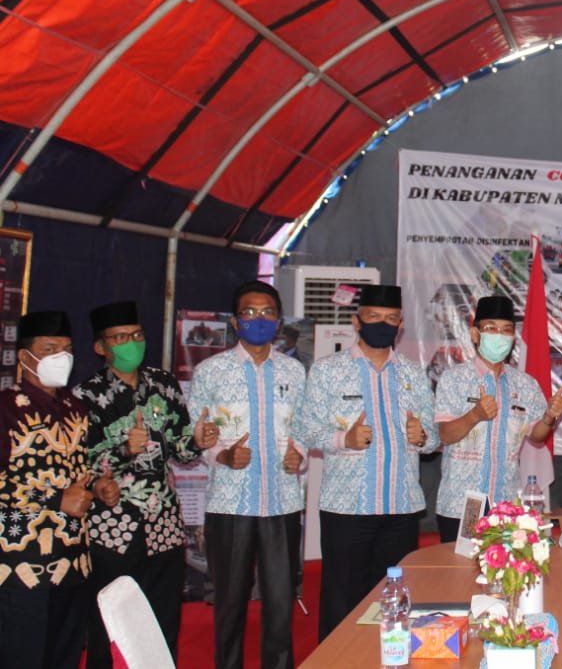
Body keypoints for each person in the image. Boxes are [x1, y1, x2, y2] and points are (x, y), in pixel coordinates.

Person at [75, 300, 220, 669]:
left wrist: (197, 441)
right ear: (100, 347)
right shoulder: (85, 396)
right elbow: (81, 463)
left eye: (136, 335)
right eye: (120, 338)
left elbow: (181, 451)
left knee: (163, 619)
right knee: (109, 622)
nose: (131, 344)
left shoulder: (164, 384)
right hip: (114, 527)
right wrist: (124, 449)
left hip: (163, 523)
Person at [296, 284, 436, 640]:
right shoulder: (327, 370)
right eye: (374, 317)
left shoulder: (412, 373)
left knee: (394, 604)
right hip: (347, 508)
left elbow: (433, 437)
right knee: (342, 602)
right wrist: (344, 439)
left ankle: (389, 660)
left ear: (400, 325)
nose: (382, 324)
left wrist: (422, 437)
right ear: (356, 322)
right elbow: (306, 430)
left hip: (400, 507)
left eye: (391, 319)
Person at [188, 280, 307, 669]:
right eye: (250, 313)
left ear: (279, 321)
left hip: (282, 504)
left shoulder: (295, 371)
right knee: (230, 603)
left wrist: (299, 455)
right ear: (235, 322)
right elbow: (197, 435)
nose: (259, 319)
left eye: (267, 312)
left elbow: (303, 429)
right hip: (230, 505)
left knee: (280, 603)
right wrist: (221, 455)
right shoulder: (210, 371)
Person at [1, 311, 118, 669]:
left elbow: (80, 472)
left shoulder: (75, 409)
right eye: (49, 349)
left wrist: (98, 486)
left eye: (66, 350)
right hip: (20, 568)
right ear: (25, 357)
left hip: (72, 564)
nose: (61, 357)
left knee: (64, 658)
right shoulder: (6, 409)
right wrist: (55, 499)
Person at [435, 296, 562, 542]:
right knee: (461, 565)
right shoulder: (453, 379)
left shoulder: (525, 384)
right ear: (475, 334)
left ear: (513, 337)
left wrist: (549, 417)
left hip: (506, 504)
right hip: (463, 503)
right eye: (491, 328)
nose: (499, 335)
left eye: (506, 330)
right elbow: (445, 435)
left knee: (504, 564)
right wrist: (475, 415)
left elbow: (537, 437)